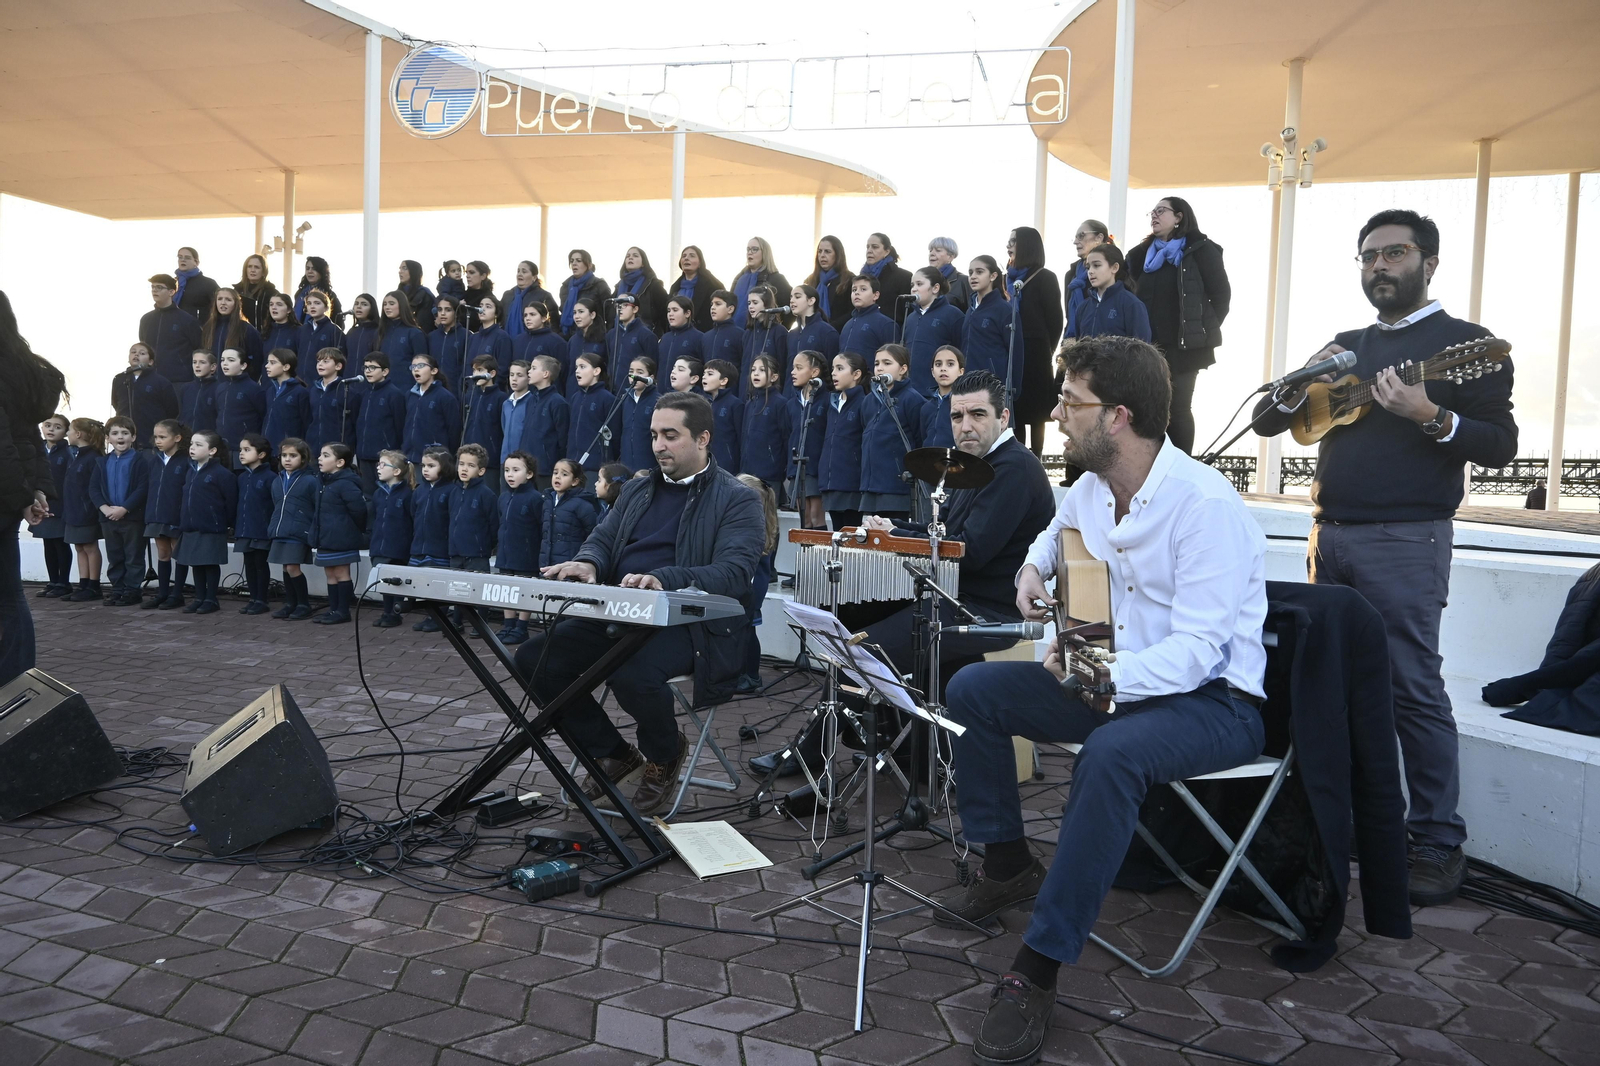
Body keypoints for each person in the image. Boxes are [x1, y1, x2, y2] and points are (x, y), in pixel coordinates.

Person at [938, 339, 1267, 1066]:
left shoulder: (1204, 505)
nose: (1054, 415)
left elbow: (1201, 649)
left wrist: (1104, 676)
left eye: (1070, 402)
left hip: (1214, 704)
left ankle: (1038, 969)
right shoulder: (1090, 486)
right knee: (974, 690)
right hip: (1113, 681)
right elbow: (1055, 534)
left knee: (1113, 754)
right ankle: (1005, 865)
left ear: (1118, 416)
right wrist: (1031, 568)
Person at [1251, 208, 1518, 906]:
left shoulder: (1469, 346)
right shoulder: (1346, 346)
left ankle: (1435, 840)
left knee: (1410, 688)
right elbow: (1269, 421)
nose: (1379, 266)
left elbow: (1500, 444)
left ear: (1428, 262)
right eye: (1368, 256)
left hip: (1405, 538)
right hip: (1327, 536)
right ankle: (1339, 824)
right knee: (1328, 689)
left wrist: (1430, 414)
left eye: (1393, 253)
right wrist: (1294, 383)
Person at [515, 392, 765, 814]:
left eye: (670, 435)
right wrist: (588, 564)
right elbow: (603, 539)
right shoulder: (635, 488)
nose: (658, 446)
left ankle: (664, 755)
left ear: (703, 438)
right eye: (653, 436)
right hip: (620, 610)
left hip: (691, 624)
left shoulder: (737, 498)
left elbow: (735, 573)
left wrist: (662, 579)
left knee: (630, 672)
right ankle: (614, 753)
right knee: (534, 658)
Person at [1125, 196, 1231, 454]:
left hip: (1185, 346)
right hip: (1147, 346)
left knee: (1178, 408)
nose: (1154, 216)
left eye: (1161, 210)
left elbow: (1221, 296)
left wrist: (1201, 329)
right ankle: (1151, 467)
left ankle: (1181, 466)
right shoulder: (1138, 256)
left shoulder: (1200, 250)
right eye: (1152, 211)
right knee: (1146, 408)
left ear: (1179, 216)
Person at [1, 292, 67, 682]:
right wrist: (34, 492)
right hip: (10, 496)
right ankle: (17, 682)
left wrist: (27, 495)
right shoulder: (21, 368)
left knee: (8, 597)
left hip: (7, 493)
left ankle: (15, 684)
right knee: (9, 596)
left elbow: (5, 447)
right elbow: (29, 440)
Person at [1006, 226, 1065, 457]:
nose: (1009, 245)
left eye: (1014, 240)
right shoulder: (1005, 279)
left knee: (1037, 408)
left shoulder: (1045, 277)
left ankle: (1037, 455)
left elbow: (1055, 319)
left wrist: (1046, 348)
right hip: (1012, 348)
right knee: (1016, 404)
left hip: (1036, 350)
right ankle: (1020, 454)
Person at [174, 429, 238, 615]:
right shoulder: (191, 471)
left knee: (209, 563)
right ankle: (199, 597)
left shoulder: (223, 475)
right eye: (192, 444)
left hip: (211, 527)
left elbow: (230, 502)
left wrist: (224, 523)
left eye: (199, 445)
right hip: (191, 527)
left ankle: (211, 599)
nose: (192, 448)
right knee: (196, 563)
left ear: (212, 451)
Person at [860, 344, 926, 522]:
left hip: (897, 488)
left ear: (903, 369)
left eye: (887, 363)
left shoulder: (913, 400)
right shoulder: (868, 401)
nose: (879, 367)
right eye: (877, 363)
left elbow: (919, 440)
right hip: (871, 486)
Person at [91, 416, 149, 607]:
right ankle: (117, 589)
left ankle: (132, 590)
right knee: (115, 555)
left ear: (133, 437)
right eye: (115, 433)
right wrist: (105, 508)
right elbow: (94, 489)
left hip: (132, 518)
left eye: (125, 433)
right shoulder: (102, 462)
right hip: (109, 518)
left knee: (133, 555)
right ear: (108, 438)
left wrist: (125, 508)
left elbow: (142, 488)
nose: (120, 437)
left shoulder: (141, 460)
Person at [308, 441, 365, 625]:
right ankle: (333, 609)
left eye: (326, 455)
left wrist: (351, 529)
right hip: (325, 536)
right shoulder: (322, 481)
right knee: (330, 574)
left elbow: (359, 510)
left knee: (341, 573)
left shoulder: (346, 483)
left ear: (340, 462)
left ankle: (343, 611)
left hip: (341, 536)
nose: (320, 459)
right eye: (320, 455)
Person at [734, 474, 779, 693]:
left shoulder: (758, 525)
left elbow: (760, 570)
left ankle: (751, 675)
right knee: (738, 630)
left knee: (748, 632)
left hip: (751, 587)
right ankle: (737, 672)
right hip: (743, 585)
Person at [494, 450, 543, 644]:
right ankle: (508, 624)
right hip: (506, 552)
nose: (510, 474)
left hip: (526, 553)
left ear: (529, 474)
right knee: (507, 588)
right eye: (507, 470)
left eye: (516, 470)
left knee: (524, 588)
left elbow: (541, 527)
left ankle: (522, 627)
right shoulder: (504, 497)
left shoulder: (535, 498)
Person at [142, 419, 190, 610]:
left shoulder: (186, 461)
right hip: (156, 513)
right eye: (156, 437)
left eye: (163, 437)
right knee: (163, 553)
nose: (158, 441)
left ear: (177, 438)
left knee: (178, 552)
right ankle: (162, 593)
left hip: (176, 514)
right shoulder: (154, 461)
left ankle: (177, 594)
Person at [268, 437, 317, 620]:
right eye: (284, 455)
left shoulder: (310, 481)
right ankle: (291, 603)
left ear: (303, 459)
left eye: (293, 456)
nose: (287, 459)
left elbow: (314, 506)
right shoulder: (277, 480)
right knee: (285, 567)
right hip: (281, 529)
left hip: (298, 530)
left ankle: (303, 604)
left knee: (292, 567)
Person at [819, 351, 869, 530]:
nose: (834, 373)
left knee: (852, 534)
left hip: (851, 483)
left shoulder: (864, 403)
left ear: (856, 374)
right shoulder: (832, 402)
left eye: (840, 368)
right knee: (837, 534)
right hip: (832, 482)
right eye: (833, 369)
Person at [408, 448, 454, 633]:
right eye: (424, 466)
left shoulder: (451, 490)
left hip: (440, 546)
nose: (425, 470)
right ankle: (430, 616)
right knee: (424, 584)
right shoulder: (420, 490)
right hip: (420, 544)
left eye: (431, 466)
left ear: (444, 467)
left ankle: (440, 618)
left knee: (438, 584)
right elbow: (413, 513)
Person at [60, 418, 106, 603]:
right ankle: (83, 583)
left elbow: (94, 486)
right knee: (79, 547)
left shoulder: (93, 457)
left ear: (78, 434)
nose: (67, 434)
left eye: (70, 430)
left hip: (86, 510)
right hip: (73, 509)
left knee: (89, 546)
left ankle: (94, 586)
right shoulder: (77, 455)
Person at [367, 449, 414, 628]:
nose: (378, 468)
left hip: (399, 545)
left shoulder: (407, 494)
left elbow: (411, 520)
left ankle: (396, 613)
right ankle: (386, 612)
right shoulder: (378, 494)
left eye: (383, 465)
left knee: (397, 581)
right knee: (384, 580)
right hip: (380, 544)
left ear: (396, 471)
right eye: (378, 464)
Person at [506, 355, 569, 491]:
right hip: (526, 467)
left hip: (545, 468)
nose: (529, 371)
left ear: (546, 374)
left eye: (534, 368)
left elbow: (563, 439)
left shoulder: (557, 402)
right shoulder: (531, 400)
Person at [1065, 244, 1151, 341]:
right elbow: (1080, 348)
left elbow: (1142, 350)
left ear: (1114, 268)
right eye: (1088, 267)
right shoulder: (1083, 307)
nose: (1090, 271)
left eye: (1097, 265)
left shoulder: (1131, 304)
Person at [903, 266, 965, 395]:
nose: (914, 288)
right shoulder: (910, 318)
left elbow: (962, 351)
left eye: (919, 284)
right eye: (912, 284)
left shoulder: (953, 314)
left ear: (935, 288)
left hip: (938, 391)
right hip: (910, 391)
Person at [30, 413, 73, 599]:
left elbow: (69, 482)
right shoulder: (37, 449)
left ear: (65, 431)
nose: (51, 430)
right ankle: (53, 580)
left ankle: (64, 582)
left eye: (57, 427)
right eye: (48, 425)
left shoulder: (68, 452)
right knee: (47, 543)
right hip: (41, 504)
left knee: (60, 543)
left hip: (60, 504)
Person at [234, 434, 276, 614]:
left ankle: (262, 599)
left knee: (260, 563)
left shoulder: (270, 477)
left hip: (261, 528)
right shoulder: (242, 477)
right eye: (241, 450)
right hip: (245, 527)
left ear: (261, 454)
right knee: (249, 563)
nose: (241, 454)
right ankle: (253, 597)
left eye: (247, 450)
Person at [786, 350, 828, 528]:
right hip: (797, 467)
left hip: (816, 466)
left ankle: (820, 555)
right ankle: (805, 555)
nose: (792, 372)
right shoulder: (791, 404)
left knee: (816, 517)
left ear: (815, 372)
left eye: (799, 368)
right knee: (805, 520)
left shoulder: (827, 400)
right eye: (793, 367)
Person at [356, 353, 408, 497]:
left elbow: (400, 426)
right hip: (364, 454)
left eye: (373, 367)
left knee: (385, 495)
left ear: (385, 371)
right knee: (368, 496)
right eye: (365, 367)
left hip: (385, 457)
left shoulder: (394, 394)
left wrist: (394, 452)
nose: (368, 371)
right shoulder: (365, 393)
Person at [740, 354, 790, 498]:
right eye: (753, 370)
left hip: (770, 473)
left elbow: (786, 437)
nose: (756, 373)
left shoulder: (780, 403)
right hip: (747, 473)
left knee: (767, 517)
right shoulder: (750, 403)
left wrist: (780, 467)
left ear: (774, 377)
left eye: (762, 370)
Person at [111, 341, 178, 447]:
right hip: (124, 437)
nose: (136, 355)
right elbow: (116, 402)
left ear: (150, 361)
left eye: (142, 353)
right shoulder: (119, 379)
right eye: (133, 352)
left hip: (149, 437)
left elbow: (172, 410)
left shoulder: (160, 382)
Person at [140, 273, 203, 384]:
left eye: (159, 287)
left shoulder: (187, 320)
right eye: (153, 287)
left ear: (171, 292)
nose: (154, 290)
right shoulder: (146, 319)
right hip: (151, 380)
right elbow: (143, 348)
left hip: (179, 381)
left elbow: (200, 348)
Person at [402, 354, 460, 463]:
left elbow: (454, 431)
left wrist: (447, 456)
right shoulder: (409, 395)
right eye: (413, 366)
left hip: (434, 459)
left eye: (421, 365)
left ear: (433, 371)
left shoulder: (445, 397)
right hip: (409, 456)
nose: (416, 369)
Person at [962, 255, 1010, 384]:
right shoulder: (970, 309)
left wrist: (1011, 390)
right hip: (967, 383)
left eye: (979, 272)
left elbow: (1015, 352)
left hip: (992, 384)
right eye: (970, 272)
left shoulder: (1004, 309)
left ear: (993, 276)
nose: (973, 276)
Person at [567, 352, 619, 472]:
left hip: (595, 467)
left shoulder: (607, 399)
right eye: (576, 367)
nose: (577, 371)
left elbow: (614, 435)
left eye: (582, 367)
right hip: (573, 465)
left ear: (596, 371)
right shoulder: (575, 397)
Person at [307, 347, 362, 454]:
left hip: (338, 449)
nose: (320, 364)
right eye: (318, 361)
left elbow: (355, 422)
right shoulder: (313, 390)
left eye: (325, 361)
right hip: (313, 447)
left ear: (338, 366)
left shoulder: (348, 391)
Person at [1063, 219, 1110, 339]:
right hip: (1074, 342)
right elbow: (1069, 315)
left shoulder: (1114, 272)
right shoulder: (1071, 275)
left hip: (1103, 343)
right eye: (1076, 237)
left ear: (1099, 238)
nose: (1075, 242)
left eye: (1081, 236)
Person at [786, 284, 840, 387]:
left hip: (817, 395)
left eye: (797, 297)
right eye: (791, 297)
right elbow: (788, 369)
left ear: (811, 301)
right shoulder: (791, 334)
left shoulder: (827, 332)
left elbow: (831, 369)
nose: (792, 301)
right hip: (792, 398)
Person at [202, 287, 264, 375]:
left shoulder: (246, 329)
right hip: (213, 384)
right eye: (220, 299)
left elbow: (256, 360)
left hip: (238, 384)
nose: (223, 303)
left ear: (236, 304)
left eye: (228, 300)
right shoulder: (208, 327)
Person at [732, 237, 791, 328]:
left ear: (765, 253)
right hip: (737, 332)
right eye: (748, 249)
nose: (750, 252)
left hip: (764, 333)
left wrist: (773, 330)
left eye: (754, 249)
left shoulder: (776, 279)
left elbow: (789, 310)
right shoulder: (739, 278)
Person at [741, 286, 789, 397]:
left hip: (770, 395)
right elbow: (744, 367)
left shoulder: (779, 332)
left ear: (766, 304)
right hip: (747, 394)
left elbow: (782, 365)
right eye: (749, 303)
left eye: (755, 302)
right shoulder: (747, 333)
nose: (751, 306)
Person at [605, 292, 661, 386]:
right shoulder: (611, 334)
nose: (620, 308)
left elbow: (653, 366)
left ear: (635, 309)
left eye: (625, 305)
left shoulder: (646, 335)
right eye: (617, 305)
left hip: (635, 389)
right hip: (612, 391)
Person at [860, 232, 914, 329]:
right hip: (864, 331)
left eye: (875, 247)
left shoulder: (903, 277)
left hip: (890, 334)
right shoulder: (861, 278)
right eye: (867, 247)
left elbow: (908, 314)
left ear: (887, 251)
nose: (869, 250)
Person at [463, 355, 508, 467]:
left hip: (490, 458)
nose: (476, 374)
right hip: (469, 456)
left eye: (480, 370)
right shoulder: (470, 396)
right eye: (474, 370)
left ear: (492, 374)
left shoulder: (501, 398)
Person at [262, 349, 311, 449]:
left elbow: (307, 423)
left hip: (289, 448)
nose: (267, 366)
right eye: (267, 362)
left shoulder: (300, 392)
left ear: (286, 367)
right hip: (268, 447)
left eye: (273, 363)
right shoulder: (270, 390)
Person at [514, 300, 568, 391]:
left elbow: (563, 373)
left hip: (545, 395)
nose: (528, 318)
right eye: (525, 315)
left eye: (532, 314)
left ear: (544, 318)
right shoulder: (517, 340)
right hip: (520, 393)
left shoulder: (556, 341)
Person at [667, 246, 724, 332]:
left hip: (703, 333)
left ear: (700, 263)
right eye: (684, 256)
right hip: (677, 334)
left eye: (692, 256)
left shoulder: (713, 285)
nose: (686, 258)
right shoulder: (675, 287)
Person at [615, 247, 670, 335]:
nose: (630, 258)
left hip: (645, 335)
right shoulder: (619, 286)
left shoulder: (653, 284)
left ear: (643, 263)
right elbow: (611, 313)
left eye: (635, 256)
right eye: (627, 256)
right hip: (620, 335)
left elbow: (664, 311)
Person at [839, 275, 896, 359]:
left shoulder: (885, 324)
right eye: (854, 290)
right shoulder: (847, 324)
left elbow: (892, 359)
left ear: (875, 295)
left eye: (863, 289)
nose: (857, 293)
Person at [619, 356, 660, 472]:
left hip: (648, 462)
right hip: (626, 461)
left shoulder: (658, 400)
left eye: (640, 372)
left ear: (651, 378)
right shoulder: (625, 398)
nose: (634, 376)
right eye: (631, 372)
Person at [920, 345, 965, 449]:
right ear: (932, 372)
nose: (943, 369)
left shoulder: (964, 404)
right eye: (938, 364)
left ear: (960, 371)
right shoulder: (926, 408)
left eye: (950, 364)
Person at [702, 359, 743, 473]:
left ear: (724, 380)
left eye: (710, 374)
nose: (704, 377)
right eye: (704, 374)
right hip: (707, 464)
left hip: (727, 466)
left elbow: (741, 438)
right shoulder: (704, 403)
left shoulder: (735, 404)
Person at [806, 236, 854, 333]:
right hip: (812, 333)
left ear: (838, 254)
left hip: (838, 333)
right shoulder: (811, 280)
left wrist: (830, 327)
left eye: (827, 252)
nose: (822, 255)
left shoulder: (849, 280)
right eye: (820, 251)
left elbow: (852, 312)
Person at [558, 250, 611, 337]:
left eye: (579, 260)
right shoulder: (565, 287)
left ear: (589, 265)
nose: (574, 263)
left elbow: (609, 312)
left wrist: (606, 335)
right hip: (568, 336)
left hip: (594, 336)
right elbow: (562, 311)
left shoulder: (599, 284)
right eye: (572, 261)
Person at [466, 294, 514, 388]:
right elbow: (467, 365)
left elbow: (502, 369)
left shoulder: (502, 337)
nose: (482, 309)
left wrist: (492, 388)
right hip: (471, 392)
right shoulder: (473, 337)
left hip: (491, 392)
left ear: (496, 313)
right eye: (480, 306)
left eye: (488, 307)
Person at [294, 289, 344, 377]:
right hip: (301, 381)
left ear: (326, 307)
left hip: (322, 382)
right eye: (309, 303)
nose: (312, 306)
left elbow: (340, 359)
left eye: (317, 303)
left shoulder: (334, 331)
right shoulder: (301, 330)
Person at [502, 260, 556, 339]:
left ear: (534, 277)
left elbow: (554, 324)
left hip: (534, 341)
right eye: (518, 271)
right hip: (507, 341)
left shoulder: (544, 296)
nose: (520, 274)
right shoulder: (508, 295)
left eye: (524, 271)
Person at [566, 297, 607, 399]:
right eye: (575, 313)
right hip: (574, 393)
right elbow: (569, 369)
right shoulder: (573, 340)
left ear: (592, 314)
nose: (577, 316)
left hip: (597, 393)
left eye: (581, 312)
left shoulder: (603, 338)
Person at [375, 291, 429, 365]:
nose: (387, 307)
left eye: (391, 304)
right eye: (385, 304)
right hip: (383, 376)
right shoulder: (381, 332)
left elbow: (421, 364)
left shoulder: (415, 333)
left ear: (402, 305)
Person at [429, 295, 469, 394]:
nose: (442, 313)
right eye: (439, 309)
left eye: (448, 310)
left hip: (456, 390)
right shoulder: (431, 336)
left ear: (456, 312)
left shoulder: (466, 335)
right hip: (433, 389)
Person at [178, 349, 222, 435]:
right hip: (186, 437)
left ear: (213, 367)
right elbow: (181, 414)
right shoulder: (186, 388)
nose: (197, 366)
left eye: (202, 362)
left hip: (208, 438)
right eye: (194, 362)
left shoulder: (219, 388)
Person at [235, 254, 279, 333]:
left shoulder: (271, 293)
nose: (252, 270)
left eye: (256, 267)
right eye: (249, 266)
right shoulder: (236, 292)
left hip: (263, 336)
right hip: (239, 336)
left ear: (263, 271)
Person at [702, 290, 745, 370]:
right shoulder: (706, 336)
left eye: (718, 304)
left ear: (730, 309)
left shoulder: (740, 334)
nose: (713, 308)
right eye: (712, 304)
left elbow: (744, 365)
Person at [658, 296, 704, 371]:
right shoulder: (665, 338)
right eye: (669, 311)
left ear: (687, 313)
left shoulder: (699, 338)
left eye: (675, 310)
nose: (670, 314)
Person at [174, 246, 220, 320]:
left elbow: (219, 306)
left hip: (199, 327)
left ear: (196, 262)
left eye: (187, 258)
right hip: (174, 325)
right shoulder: (173, 283)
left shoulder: (208, 283)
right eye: (180, 257)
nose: (183, 260)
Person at [928, 236, 971, 312]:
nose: (932, 253)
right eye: (930, 250)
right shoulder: (925, 281)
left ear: (950, 257)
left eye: (938, 250)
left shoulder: (964, 281)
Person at [292, 257, 342, 323]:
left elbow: (338, 321)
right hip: (298, 331)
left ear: (322, 272)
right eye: (307, 268)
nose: (310, 271)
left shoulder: (330, 295)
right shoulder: (299, 293)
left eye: (314, 269)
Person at [399, 260, 436, 334]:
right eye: (400, 269)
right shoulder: (397, 295)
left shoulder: (424, 294)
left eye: (404, 268)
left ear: (413, 271)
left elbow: (425, 323)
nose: (400, 272)